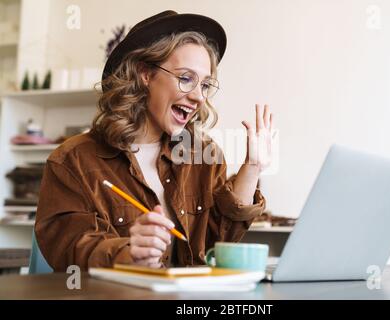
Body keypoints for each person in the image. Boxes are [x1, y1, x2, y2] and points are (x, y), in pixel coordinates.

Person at [35, 10, 274, 271]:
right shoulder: (72, 161)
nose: (199, 97)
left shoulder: (203, 154)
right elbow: (70, 249)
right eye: (185, 79)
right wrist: (128, 254)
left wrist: (252, 168)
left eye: (205, 85)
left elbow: (218, 244)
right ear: (145, 74)